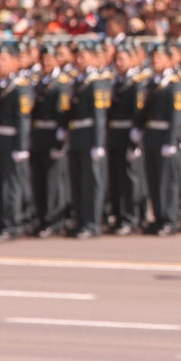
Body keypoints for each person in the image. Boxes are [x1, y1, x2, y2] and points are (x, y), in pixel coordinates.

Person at [0, 44, 33, 242]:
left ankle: (11, 224)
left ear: (15, 62)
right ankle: (0, 222)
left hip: (11, 141)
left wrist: (21, 146)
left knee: (11, 186)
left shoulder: (21, 87)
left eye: (4, 60)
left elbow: (23, 119)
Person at [62, 42, 108, 239]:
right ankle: (80, 220)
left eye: (83, 56)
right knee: (78, 181)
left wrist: (98, 143)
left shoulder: (95, 82)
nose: (79, 60)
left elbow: (99, 115)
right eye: (78, 56)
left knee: (91, 182)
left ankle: (91, 223)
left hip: (89, 136)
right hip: (77, 136)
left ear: (92, 58)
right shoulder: (77, 80)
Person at [139, 43, 181, 237]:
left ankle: (170, 219)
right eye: (154, 57)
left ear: (170, 60)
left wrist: (171, 140)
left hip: (166, 137)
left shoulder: (175, 83)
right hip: (152, 136)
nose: (155, 60)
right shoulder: (151, 83)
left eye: (160, 57)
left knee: (168, 181)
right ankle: (158, 217)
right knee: (154, 179)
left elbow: (177, 115)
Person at [30, 44, 72, 239]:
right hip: (39, 136)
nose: (46, 63)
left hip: (52, 135)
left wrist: (60, 141)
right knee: (39, 180)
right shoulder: (39, 82)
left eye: (50, 59)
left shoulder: (62, 83)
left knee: (53, 181)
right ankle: (42, 217)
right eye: (43, 59)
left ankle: (54, 220)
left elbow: (62, 114)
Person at [106, 41, 147, 235]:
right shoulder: (116, 82)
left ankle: (132, 217)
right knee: (116, 178)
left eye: (123, 59)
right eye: (117, 59)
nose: (119, 63)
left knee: (130, 179)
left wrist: (136, 139)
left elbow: (138, 113)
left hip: (128, 134)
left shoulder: (136, 84)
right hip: (115, 134)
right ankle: (119, 215)